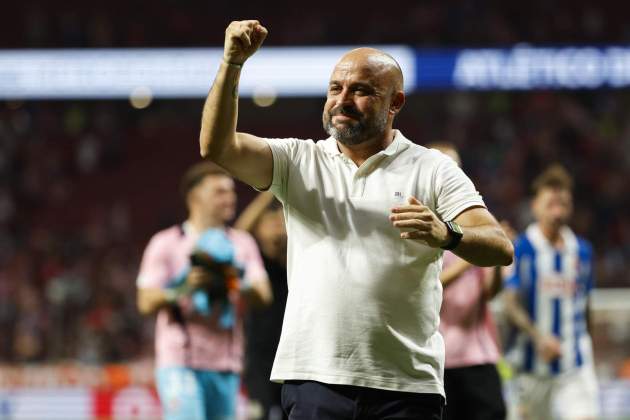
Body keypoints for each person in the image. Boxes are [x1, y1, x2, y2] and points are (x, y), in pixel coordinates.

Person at [199, 20, 513, 419]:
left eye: (361, 90)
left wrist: (446, 233)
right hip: (314, 377)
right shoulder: (298, 160)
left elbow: (500, 247)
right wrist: (232, 63)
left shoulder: (432, 168)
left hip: (406, 384)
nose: (342, 100)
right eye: (336, 88)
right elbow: (216, 146)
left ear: (395, 103)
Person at [136, 162, 272, 420]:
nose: (230, 198)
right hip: (180, 362)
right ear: (194, 196)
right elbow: (145, 301)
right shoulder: (166, 243)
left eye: (231, 192)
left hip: (226, 363)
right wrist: (185, 287)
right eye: (219, 192)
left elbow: (263, 294)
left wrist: (230, 282)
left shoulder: (242, 243)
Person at [503, 164, 599, 420]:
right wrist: (538, 337)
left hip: (574, 365)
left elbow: (586, 304)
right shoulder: (521, 249)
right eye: (551, 202)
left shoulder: (583, 251)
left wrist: (589, 348)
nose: (558, 208)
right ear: (535, 206)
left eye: (563, 202)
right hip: (530, 366)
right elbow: (510, 305)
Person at [429, 142, 508, 420]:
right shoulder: (422, 228)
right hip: (438, 359)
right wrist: (471, 253)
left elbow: (490, 293)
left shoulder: (476, 223)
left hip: (479, 356)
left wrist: (496, 260)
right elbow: (430, 287)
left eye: (455, 165)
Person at [235, 191, 288, 420]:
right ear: (259, 229)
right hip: (259, 358)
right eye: (271, 222)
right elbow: (239, 232)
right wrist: (272, 190)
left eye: (282, 221)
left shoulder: (298, 258)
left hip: (292, 355)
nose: (277, 226)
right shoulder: (254, 261)